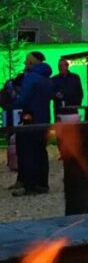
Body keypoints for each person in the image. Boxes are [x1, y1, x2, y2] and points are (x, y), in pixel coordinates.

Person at [12, 52, 53, 196]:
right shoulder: (47, 78)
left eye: (26, 62)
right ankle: (43, 184)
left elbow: (23, 99)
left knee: (28, 151)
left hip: (30, 119)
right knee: (41, 151)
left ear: (31, 63)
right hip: (44, 119)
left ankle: (30, 186)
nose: (25, 64)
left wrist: (11, 105)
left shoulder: (31, 78)